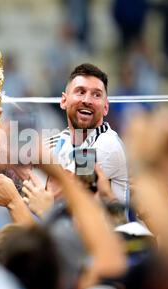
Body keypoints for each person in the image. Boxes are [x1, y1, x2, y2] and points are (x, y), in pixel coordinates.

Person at [47, 63, 129, 207]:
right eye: (80, 92)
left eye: (96, 95)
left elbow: (57, 194)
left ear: (106, 108)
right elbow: (17, 167)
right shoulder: (64, 137)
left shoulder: (107, 145)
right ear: (64, 101)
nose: (87, 100)